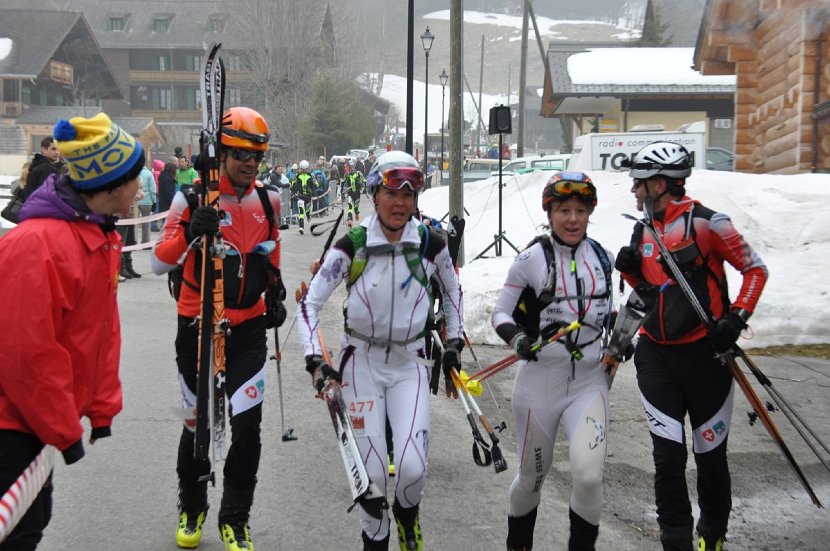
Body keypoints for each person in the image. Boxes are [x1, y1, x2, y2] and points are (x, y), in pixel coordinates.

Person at [296, 151, 464, 551]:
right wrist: (315, 360)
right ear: (374, 194)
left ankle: (407, 515)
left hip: (410, 364)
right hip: (361, 365)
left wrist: (454, 342)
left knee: (412, 469)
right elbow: (308, 305)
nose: (400, 202)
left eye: (408, 194)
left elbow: (453, 290)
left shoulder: (430, 244)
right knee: (370, 478)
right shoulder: (354, 244)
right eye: (391, 192)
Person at [614, 142, 768, 551]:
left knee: (710, 457)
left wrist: (736, 319)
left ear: (660, 184)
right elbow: (650, 294)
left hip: (706, 358)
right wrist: (630, 274)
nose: (633, 190)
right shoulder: (643, 229)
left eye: (639, 183)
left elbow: (755, 269)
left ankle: (711, 537)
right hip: (656, 355)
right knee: (667, 457)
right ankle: (676, 540)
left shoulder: (709, 224)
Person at [0, 113, 142, 550]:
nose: (141, 189)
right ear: (112, 184)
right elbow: (27, 354)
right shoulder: (37, 244)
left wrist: (101, 408)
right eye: (135, 179)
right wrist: (64, 430)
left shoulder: (94, 236)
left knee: (32, 521)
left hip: (31, 421)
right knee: (18, 533)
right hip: (9, 422)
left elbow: (98, 333)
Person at [150, 107, 285, 551]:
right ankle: (192, 507)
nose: (251, 163)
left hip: (248, 330)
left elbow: (272, 248)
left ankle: (235, 518)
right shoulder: (191, 199)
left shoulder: (269, 200)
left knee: (247, 426)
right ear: (222, 152)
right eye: (242, 153)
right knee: (197, 425)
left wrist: (275, 290)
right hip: (198, 326)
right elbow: (158, 262)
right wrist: (190, 231)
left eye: (257, 155)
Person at [491, 171, 615, 551]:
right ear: (550, 213)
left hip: (589, 382)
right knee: (532, 478)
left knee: (589, 477)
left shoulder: (603, 258)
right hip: (539, 382)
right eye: (564, 210)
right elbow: (501, 314)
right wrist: (519, 338)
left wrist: (620, 339)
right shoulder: (530, 259)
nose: (573, 219)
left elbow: (608, 314)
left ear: (590, 212)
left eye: (581, 210)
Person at [22, 137, 61, 201]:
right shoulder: (46, 168)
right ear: (44, 150)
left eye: (59, 149)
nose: (57, 152)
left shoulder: (37, 165)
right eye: (53, 149)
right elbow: (47, 195)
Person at [290, 159, 314, 234]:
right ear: (300, 168)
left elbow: (316, 184)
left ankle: (308, 216)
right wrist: (294, 191)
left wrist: (312, 189)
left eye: (305, 169)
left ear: (307, 168)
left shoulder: (311, 175)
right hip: (300, 196)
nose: (304, 170)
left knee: (307, 211)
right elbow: (292, 184)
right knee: (301, 211)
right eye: (302, 169)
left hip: (308, 196)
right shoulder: (297, 176)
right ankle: (301, 227)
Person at [137, 163, 157, 244]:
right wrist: (154, 201)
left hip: (135, 201)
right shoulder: (149, 173)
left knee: (133, 223)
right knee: (146, 224)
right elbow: (152, 189)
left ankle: (133, 242)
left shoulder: (134, 172)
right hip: (147, 201)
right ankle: (145, 242)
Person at [342, 161, 367, 227]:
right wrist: (342, 191)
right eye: (351, 166)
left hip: (355, 193)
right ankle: (350, 220)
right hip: (351, 193)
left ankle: (356, 213)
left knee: (355, 207)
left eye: (352, 166)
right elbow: (342, 182)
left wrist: (365, 188)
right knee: (350, 206)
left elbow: (364, 180)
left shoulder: (358, 173)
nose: (351, 168)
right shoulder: (347, 174)